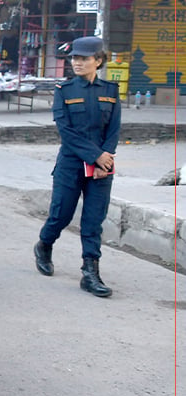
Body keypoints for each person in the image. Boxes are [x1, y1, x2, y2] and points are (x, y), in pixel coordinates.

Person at [34, 36, 118, 298]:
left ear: (98, 61)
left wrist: (107, 157)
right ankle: (44, 244)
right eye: (75, 58)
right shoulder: (64, 90)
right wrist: (96, 156)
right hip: (71, 164)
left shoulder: (110, 90)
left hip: (102, 166)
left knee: (93, 221)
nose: (77, 62)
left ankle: (90, 272)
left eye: (84, 58)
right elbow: (66, 132)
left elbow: (114, 128)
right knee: (61, 215)